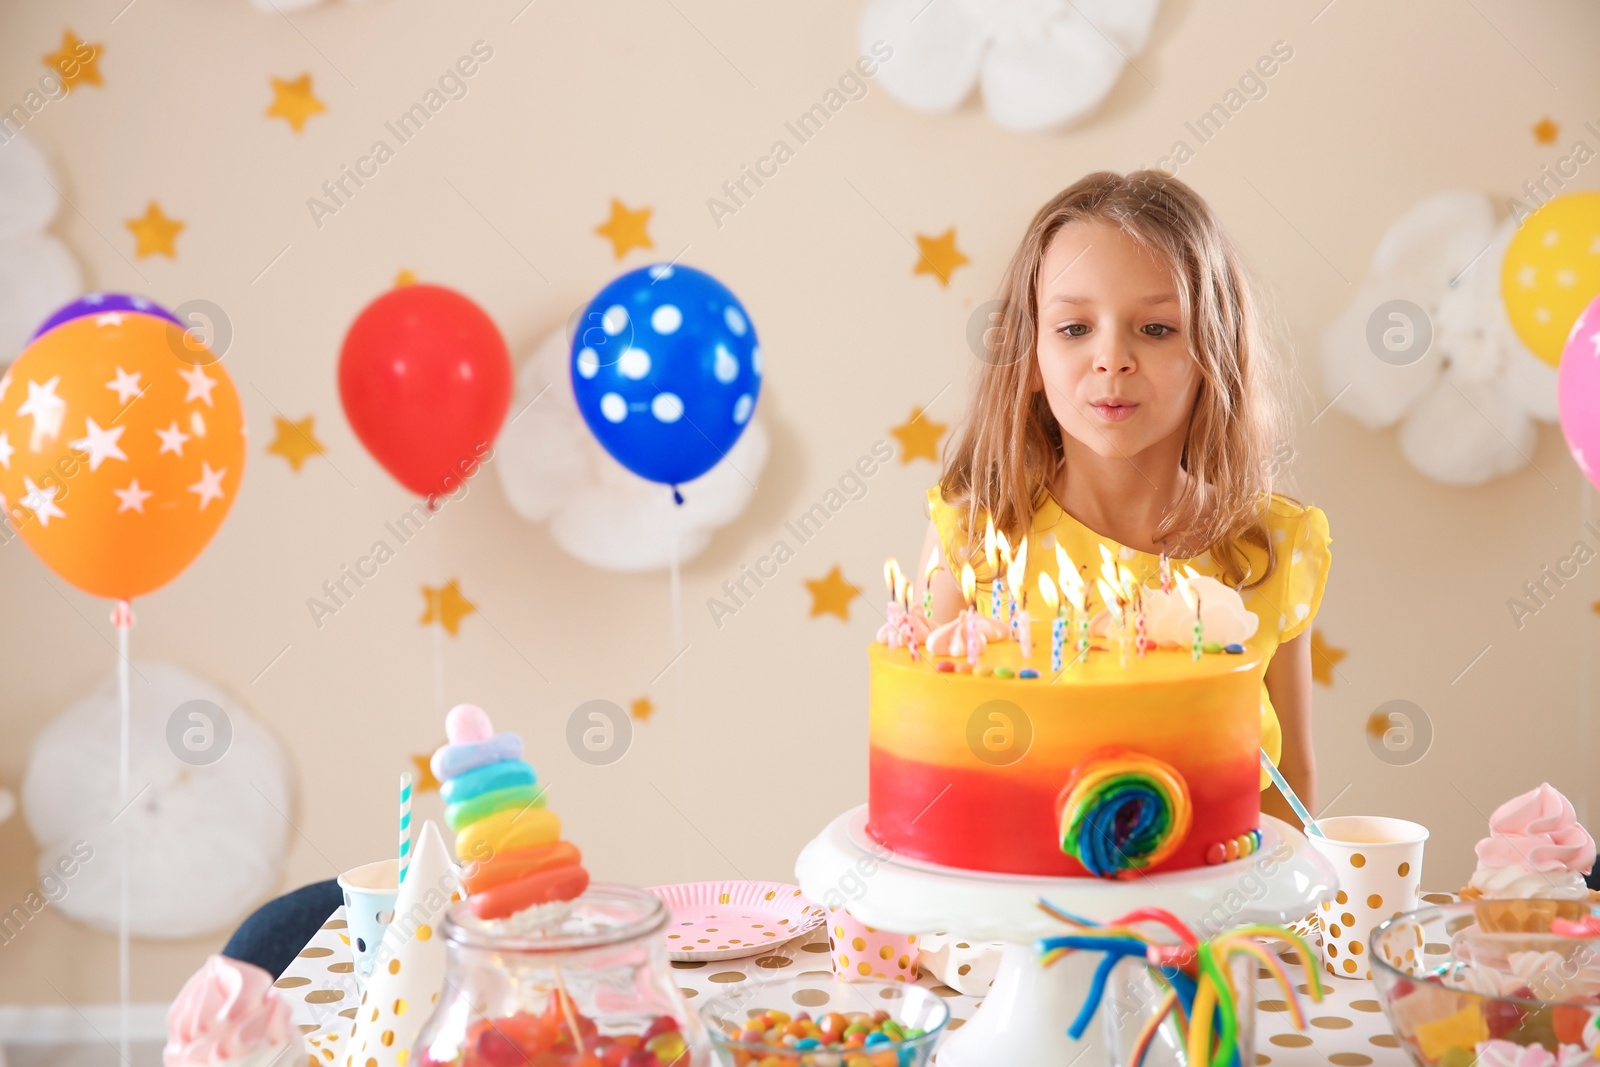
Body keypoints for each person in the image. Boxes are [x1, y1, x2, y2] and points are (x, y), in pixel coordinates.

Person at [915, 170, 1331, 825]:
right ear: (1028, 354)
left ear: (1212, 352)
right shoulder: (977, 538)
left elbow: (1291, 780)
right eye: (1075, 328)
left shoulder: (1270, 549)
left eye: (1157, 329)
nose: (1112, 358)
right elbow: (927, 768)